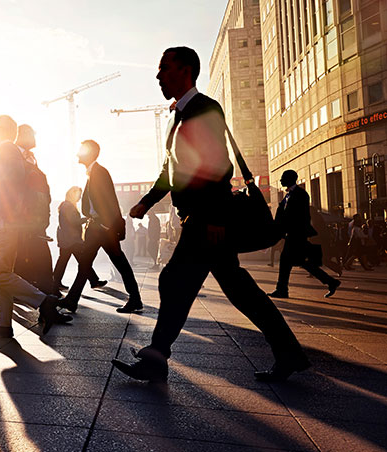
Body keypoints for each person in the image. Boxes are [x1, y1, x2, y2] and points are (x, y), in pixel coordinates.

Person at [113, 46, 309, 383]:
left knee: (175, 282)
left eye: (165, 68)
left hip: (206, 220)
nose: (159, 75)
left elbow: (219, 166)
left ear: (186, 70)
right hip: (200, 220)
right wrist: (147, 201)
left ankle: (156, 358)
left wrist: (217, 218)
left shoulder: (205, 109)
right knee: (236, 290)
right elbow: (169, 171)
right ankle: (288, 353)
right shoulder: (178, 116)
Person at [0, 115, 69, 339]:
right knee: (0, 273)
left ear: (0, 130)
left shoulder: (6, 149)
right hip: (9, 221)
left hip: (7, 222)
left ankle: (43, 301)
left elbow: (14, 179)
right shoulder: (10, 150)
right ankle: (2, 323)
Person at [58, 140, 143, 314]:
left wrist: (106, 225)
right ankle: (72, 300)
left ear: (89, 153)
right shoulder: (92, 173)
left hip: (102, 229)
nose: (77, 154)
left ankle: (135, 299)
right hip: (96, 228)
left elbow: (110, 200)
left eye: (81, 151)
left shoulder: (100, 173)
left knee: (118, 261)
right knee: (86, 263)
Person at [267, 170, 341, 299]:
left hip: (297, 235)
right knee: (300, 263)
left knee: (287, 261)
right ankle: (331, 282)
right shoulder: (288, 195)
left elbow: (300, 216)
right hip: (293, 234)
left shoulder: (301, 194)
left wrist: (288, 228)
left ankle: (282, 290)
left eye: (283, 178)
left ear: (290, 179)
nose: (281, 180)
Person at [13, 124, 57, 295]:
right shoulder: (14, 156)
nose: (35, 139)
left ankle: (47, 293)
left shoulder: (31, 157)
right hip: (23, 220)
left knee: (30, 259)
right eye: (33, 135)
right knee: (33, 258)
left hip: (35, 219)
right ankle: (48, 295)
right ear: (23, 134)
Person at [53, 186, 106, 290]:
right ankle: (94, 281)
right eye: (79, 195)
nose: (80, 198)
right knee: (83, 260)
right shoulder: (68, 206)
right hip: (72, 239)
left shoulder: (65, 205)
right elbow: (73, 221)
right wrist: (86, 219)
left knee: (64, 261)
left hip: (66, 239)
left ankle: (55, 282)